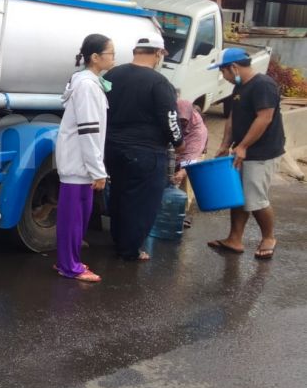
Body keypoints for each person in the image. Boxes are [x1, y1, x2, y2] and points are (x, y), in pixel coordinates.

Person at [103, 35, 184, 261]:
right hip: (145, 152)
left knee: (119, 194)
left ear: (136, 51)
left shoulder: (112, 75)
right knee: (141, 202)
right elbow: (170, 118)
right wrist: (178, 142)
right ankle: (130, 250)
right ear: (158, 54)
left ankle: (119, 241)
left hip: (112, 148)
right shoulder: (159, 82)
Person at [206, 48, 286, 260]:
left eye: (223, 71)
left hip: (262, 152)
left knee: (255, 198)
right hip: (244, 149)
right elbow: (233, 117)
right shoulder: (240, 86)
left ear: (234, 67)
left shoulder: (263, 85)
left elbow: (265, 118)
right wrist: (226, 143)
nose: (223, 76)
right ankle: (234, 239)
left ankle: (269, 237)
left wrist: (243, 146)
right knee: (238, 196)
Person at [53, 34, 115, 282]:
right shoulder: (87, 86)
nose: (114, 57)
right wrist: (97, 170)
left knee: (77, 217)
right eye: (110, 53)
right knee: (73, 219)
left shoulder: (89, 83)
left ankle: (70, 261)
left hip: (79, 164)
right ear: (95, 57)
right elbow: (88, 130)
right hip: (79, 165)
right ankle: (69, 266)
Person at [172, 94, 208, 221]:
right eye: (178, 121)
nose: (181, 123)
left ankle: (181, 215)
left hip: (194, 154)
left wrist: (182, 172)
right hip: (178, 149)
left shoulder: (198, 131)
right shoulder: (172, 117)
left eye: (183, 121)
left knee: (185, 183)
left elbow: (192, 157)